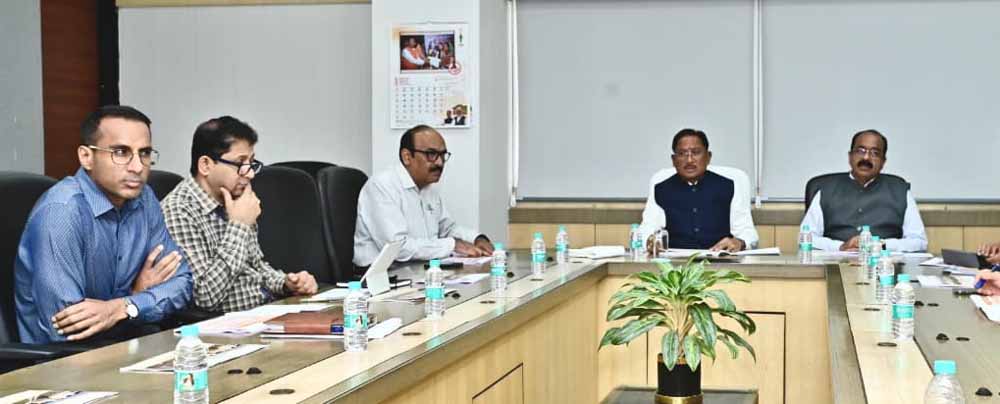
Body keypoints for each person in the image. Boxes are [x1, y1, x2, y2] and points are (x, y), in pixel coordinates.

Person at [14, 105, 192, 344]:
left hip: (126, 347)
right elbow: (71, 328)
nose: (138, 167)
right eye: (121, 152)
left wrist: (124, 307)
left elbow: (182, 283)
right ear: (86, 157)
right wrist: (137, 298)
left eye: (145, 153)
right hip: (64, 360)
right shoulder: (60, 213)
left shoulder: (145, 199)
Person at [161, 116, 317, 313]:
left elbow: (256, 267)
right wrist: (239, 225)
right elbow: (204, 297)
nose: (250, 173)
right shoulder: (178, 210)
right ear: (205, 165)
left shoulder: (235, 197)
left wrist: (287, 283)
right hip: (222, 325)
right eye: (240, 163)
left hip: (264, 312)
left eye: (251, 163)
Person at [354, 124, 493, 266]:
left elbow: (446, 229)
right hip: (384, 273)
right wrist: (453, 245)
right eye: (431, 154)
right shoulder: (382, 186)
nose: (440, 162)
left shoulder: (428, 188)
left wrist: (477, 238)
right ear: (407, 157)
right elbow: (397, 248)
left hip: (419, 268)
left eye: (442, 155)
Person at [800, 129, 927, 252]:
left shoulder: (900, 190)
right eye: (861, 151)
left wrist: (882, 245)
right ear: (850, 156)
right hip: (836, 262)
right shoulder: (826, 188)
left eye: (875, 153)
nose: (866, 158)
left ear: (883, 162)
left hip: (885, 262)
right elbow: (806, 237)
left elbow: (919, 241)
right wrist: (840, 247)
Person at [639, 128, 758, 252]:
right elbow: (647, 227)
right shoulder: (661, 188)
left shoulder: (729, 185)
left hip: (720, 259)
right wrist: (649, 240)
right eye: (682, 153)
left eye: (696, 152)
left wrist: (740, 242)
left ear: (708, 157)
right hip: (676, 261)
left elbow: (747, 232)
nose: (689, 160)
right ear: (673, 160)